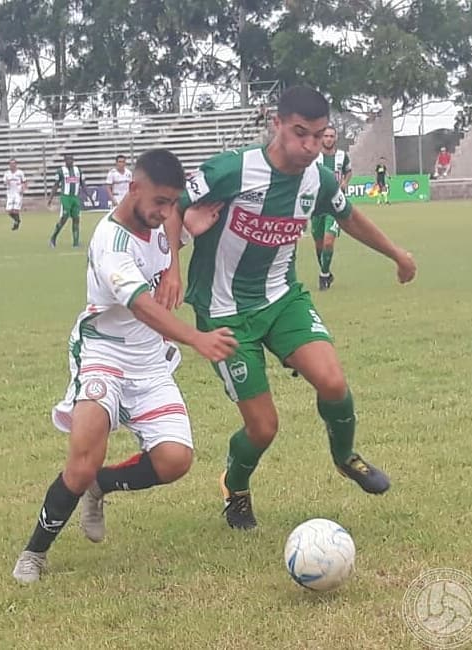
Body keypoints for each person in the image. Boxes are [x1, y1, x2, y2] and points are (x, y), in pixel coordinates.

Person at [159, 85, 417, 530]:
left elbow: (349, 216)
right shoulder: (232, 169)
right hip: (225, 313)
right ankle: (235, 488)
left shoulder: (318, 179)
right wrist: (172, 268)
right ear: (275, 123)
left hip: (282, 299)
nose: (310, 146)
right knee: (263, 427)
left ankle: (344, 457)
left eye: (320, 136)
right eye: (301, 133)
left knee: (333, 382)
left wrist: (397, 254)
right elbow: (171, 206)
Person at [12, 149, 238, 584]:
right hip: (104, 357)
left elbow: (171, 230)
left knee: (175, 461)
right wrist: (196, 338)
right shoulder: (110, 243)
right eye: (160, 202)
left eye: (173, 202)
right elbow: (141, 306)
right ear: (133, 189)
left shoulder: (158, 221)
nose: (167, 212)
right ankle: (34, 553)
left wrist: (176, 256)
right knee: (81, 460)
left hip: (150, 364)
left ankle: (102, 486)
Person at [312, 125, 352, 291]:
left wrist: (344, 182)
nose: (328, 138)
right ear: (322, 138)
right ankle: (327, 272)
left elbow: (348, 171)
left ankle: (323, 276)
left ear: (335, 138)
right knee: (319, 244)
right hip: (316, 205)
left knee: (329, 242)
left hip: (335, 204)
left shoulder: (342, 156)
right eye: (326, 136)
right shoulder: (314, 157)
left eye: (331, 136)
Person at [48, 153, 85, 248]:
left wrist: (88, 195)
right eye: (67, 160)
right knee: (64, 217)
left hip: (75, 198)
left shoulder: (78, 170)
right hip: (66, 197)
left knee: (76, 219)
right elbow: (56, 185)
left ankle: (76, 243)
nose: (69, 161)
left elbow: (83, 184)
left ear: (73, 160)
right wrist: (51, 198)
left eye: (71, 160)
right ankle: (53, 238)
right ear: (65, 161)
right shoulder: (60, 171)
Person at [3, 158, 27, 231]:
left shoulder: (20, 173)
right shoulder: (7, 173)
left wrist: (23, 189)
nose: (12, 165)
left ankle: (16, 223)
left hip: (17, 193)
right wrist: (7, 182)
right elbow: (4, 182)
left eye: (13, 164)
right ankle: (17, 220)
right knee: (9, 211)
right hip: (10, 193)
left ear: (16, 164)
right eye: (11, 164)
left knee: (16, 210)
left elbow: (25, 182)